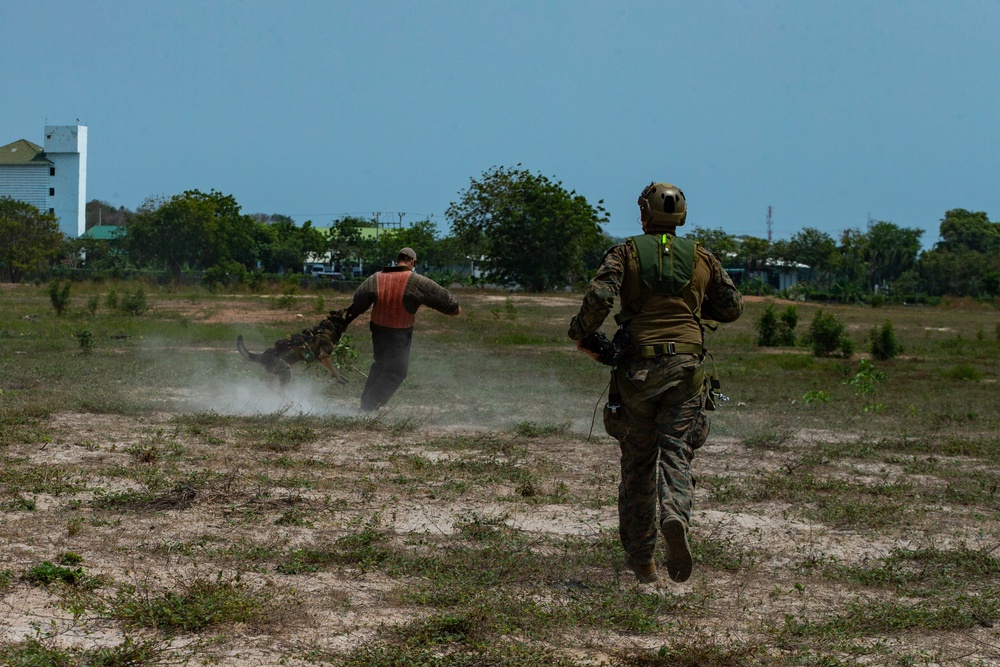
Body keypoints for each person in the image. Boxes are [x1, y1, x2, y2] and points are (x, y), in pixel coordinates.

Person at [568, 182, 743, 584]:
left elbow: (599, 298)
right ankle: (674, 516)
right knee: (676, 452)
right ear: (680, 216)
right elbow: (732, 307)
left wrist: (582, 333)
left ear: (644, 213)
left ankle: (643, 563)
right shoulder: (703, 256)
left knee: (638, 466)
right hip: (686, 370)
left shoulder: (624, 252)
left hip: (637, 372)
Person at [345, 247, 461, 411]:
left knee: (380, 364)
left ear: (397, 260)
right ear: (413, 262)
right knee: (395, 372)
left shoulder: (375, 278)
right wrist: (454, 310)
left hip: (377, 329)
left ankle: (366, 404)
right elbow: (452, 305)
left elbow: (358, 301)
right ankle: (368, 407)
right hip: (399, 333)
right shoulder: (417, 281)